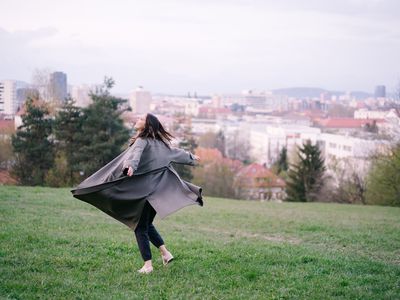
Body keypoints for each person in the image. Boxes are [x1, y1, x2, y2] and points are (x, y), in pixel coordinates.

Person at [71, 113, 203, 274]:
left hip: (144, 194)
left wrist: (130, 166)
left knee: (140, 227)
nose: (137, 120)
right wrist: (192, 157)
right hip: (157, 194)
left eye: (141, 119)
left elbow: (135, 155)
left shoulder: (142, 141)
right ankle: (165, 253)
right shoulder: (162, 145)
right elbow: (177, 153)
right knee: (146, 225)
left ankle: (148, 265)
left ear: (147, 125)